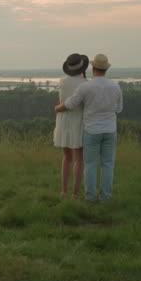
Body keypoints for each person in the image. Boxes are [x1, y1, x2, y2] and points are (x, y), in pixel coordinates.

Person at [54, 53, 122, 203]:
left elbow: (69, 103)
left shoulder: (79, 85)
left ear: (93, 67)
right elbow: (118, 109)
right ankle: (101, 198)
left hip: (84, 126)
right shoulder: (113, 86)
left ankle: (79, 195)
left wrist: (57, 108)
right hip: (104, 128)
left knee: (82, 162)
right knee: (104, 164)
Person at [53, 53, 88, 199]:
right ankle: (75, 194)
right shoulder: (86, 83)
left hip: (62, 119)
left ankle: (63, 191)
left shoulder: (62, 81)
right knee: (79, 159)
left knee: (66, 157)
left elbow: (60, 101)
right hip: (78, 120)